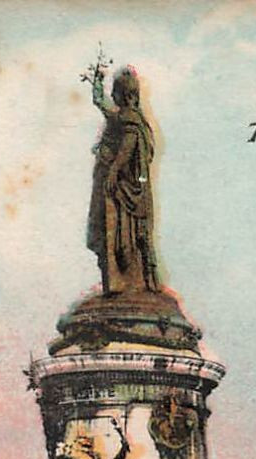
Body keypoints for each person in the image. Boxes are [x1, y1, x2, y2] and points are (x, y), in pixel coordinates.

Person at [87, 64, 162, 294]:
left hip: (126, 188)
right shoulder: (120, 117)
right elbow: (100, 102)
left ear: (126, 94)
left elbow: (128, 148)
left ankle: (138, 280)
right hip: (118, 188)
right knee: (115, 233)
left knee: (129, 236)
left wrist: (114, 170)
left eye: (115, 92)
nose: (112, 96)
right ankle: (126, 280)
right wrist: (97, 81)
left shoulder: (130, 119)